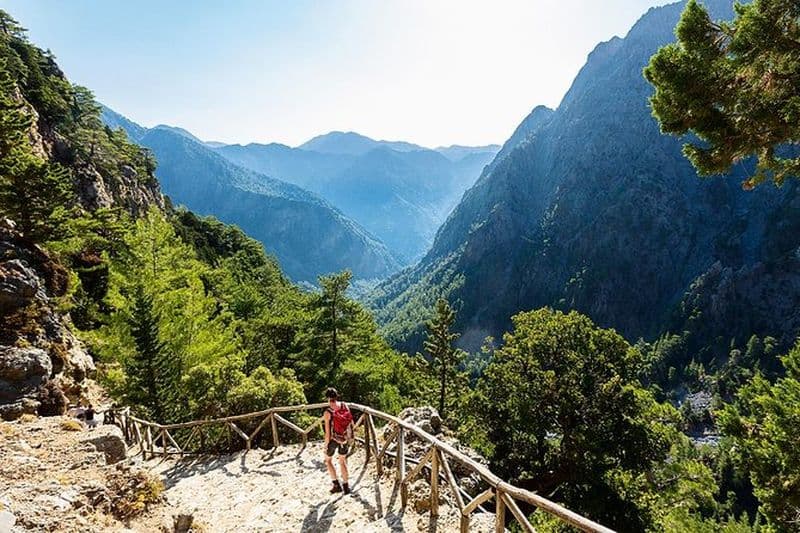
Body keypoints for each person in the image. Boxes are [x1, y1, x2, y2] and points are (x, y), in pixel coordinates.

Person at [323, 387, 354, 494]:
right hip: (344, 438)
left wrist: (326, 445)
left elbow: (328, 433)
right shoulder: (345, 406)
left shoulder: (328, 412)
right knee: (342, 461)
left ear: (327, 398)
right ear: (337, 396)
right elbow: (350, 422)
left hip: (333, 440)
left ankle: (336, 485)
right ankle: (346, 487)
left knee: (328, 460)